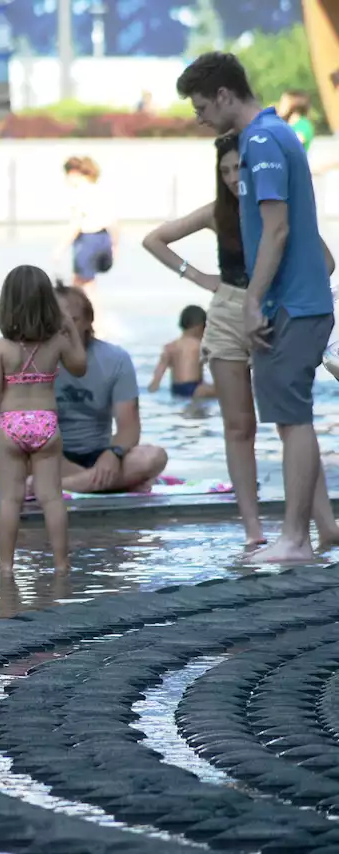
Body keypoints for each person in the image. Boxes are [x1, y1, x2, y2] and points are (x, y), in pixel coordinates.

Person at [177, 52, 336, 562]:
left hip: (289, 303)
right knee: (293, 419)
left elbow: (278, 229)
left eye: (202, 106)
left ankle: (295, 539)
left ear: (224, 95)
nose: (199, 117)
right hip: (298, 300)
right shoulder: (271, 134)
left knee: (293, 420)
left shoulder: (263, 141)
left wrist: (252, 303)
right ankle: (307, 535)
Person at [145, 133, 339, 547]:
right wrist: (197, 276)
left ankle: (324, 526)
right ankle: (253, 533)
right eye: (226, 170)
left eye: (240, 168)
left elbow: (326, 262)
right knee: (239, 426)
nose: (234, 177)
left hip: (276, 311)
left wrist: (289, 289)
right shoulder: (219, 212)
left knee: (292, 421)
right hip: (229, 311)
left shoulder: (277, 209)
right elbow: (154, 239)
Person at [0, 266, 87, 572]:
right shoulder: (56, 343)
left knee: (10, 500)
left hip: (11, 426)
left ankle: (6, 566)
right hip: (46, 424)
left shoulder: (1, 348)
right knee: (52, 498)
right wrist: (69, 326)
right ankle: (61, 563)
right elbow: (80, 367)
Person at [54, 284, 170, 493]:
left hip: (100, 457)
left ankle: (64, 486)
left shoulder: (115, 359)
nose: (64, 329)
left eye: (73, 321)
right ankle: (101, 484)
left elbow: (129, 428)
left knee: (154, 457)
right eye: (56, 322)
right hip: (52, 457)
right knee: (19, 451)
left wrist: (113, 453)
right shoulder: (36, 360)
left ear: (89, 322)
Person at [53, 156, 117, 291]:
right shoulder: (99, 190)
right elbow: (114, 222)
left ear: (73, 173)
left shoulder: (79, 193)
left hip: (88, 239)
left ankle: (92, 312)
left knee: (85, 284)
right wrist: (114, 247)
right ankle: (82, 311)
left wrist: (60, 248)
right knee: (81, 281)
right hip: (104, 238)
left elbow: (76, 224)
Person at [148, 305, 216, 399]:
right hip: (196, 389)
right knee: (225, 390)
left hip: (176, 389)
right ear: (199, 326)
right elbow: (217, 365)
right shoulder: (199, 345)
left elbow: (156, 379)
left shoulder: (170, 347)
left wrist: (152, 389)